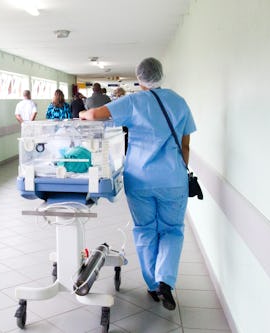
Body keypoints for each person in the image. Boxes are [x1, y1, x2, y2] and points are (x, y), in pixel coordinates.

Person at [80, 57, 196, 311]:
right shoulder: (179, 102)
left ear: (140, 78)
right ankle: (166, 280)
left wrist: (82, 112)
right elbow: (185, 145)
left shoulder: (133, 101)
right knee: (172, 230)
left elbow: (95, 115)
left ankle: (153, 286)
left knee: (145, 229)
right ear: (161, 75)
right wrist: (177, 170)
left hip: (140, 178)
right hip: (173, 179)